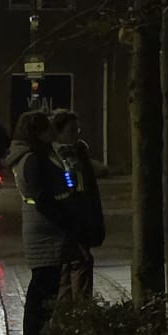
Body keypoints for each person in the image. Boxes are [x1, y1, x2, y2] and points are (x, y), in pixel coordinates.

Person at [8, 110, 80, 335]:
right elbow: (44, 196)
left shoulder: (34, 156)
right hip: (44, 228)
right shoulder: (33, 160)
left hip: (41, 224)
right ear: (37, 132)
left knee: (45, 285)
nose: (53, 132)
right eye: (48, 129)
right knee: (43, 286)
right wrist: (66, 220)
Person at [50, 109, 105, 301]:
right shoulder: (53, 158)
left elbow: (88, 188)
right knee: (72, 273)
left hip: (82, 223)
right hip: (67, 227)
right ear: (58, 132)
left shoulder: (79, 154)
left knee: (76, 271)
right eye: (71, 130)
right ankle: (73, 319)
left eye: (77, 130)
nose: (75, 135)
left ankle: (72, 319)